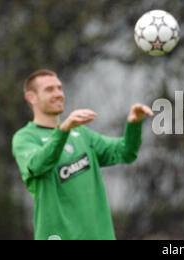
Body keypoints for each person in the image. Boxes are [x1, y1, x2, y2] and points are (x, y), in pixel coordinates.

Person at [12, 69, 153, 240]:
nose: (58, 94)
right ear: (31, 97)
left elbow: (125, 152)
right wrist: (63, 130)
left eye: (59, 88)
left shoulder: (81, 133)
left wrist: (134, 124)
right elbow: (38, 164)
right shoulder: (25, 138)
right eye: (49, 89)